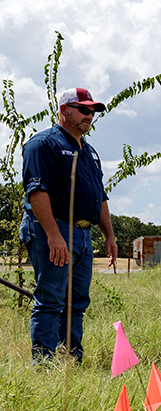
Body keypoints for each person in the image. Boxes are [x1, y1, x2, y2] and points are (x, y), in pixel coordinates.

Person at [20, 88, 117, 362]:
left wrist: (108, 235)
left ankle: (71, 357)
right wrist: (53, 234)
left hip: (84, 234)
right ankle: (44, 363)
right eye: (84, 110)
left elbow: (100, 197)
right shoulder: (43, 144)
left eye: (93, 112)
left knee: (76, 303)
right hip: (54, 229)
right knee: (51, 298)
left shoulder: (89, 152)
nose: (90, 116)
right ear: (64, 110)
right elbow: (37, 192)